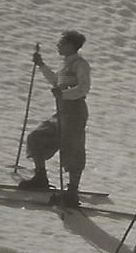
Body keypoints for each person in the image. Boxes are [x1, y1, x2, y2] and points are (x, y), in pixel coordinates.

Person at [28, 31, 90, 201]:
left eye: (62, 43)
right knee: (37, 136)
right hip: (62, 111)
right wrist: (41, 65)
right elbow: (56, 81)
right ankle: (41, 176)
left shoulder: (80, 64)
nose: (58, 46)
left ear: (71, 45)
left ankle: (72, 190)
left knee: (72, 148)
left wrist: (63, 95)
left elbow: (84, 88)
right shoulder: (66, 65)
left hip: (75, 111)